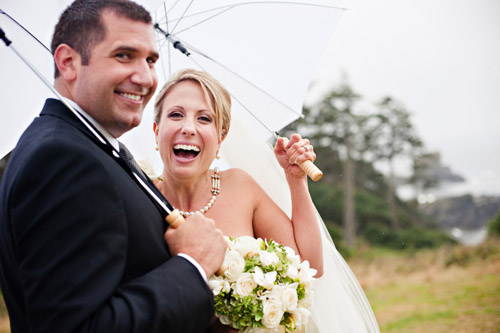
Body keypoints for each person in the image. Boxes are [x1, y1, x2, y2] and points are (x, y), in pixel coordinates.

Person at [0, 1, 227, 332]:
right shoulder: (61, 159)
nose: (145, 77)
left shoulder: (94, 148)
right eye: (124, 56)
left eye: (150, 60)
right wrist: (191, 265)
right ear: (68, 62)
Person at [151, 69, 379, 332]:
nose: (188, 128)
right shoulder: (141, 197)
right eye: (176, 114)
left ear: (221, 138)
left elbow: (310, 266)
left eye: (204, 118)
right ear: (157, 131)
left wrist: (295, 180)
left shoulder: (240, 187)